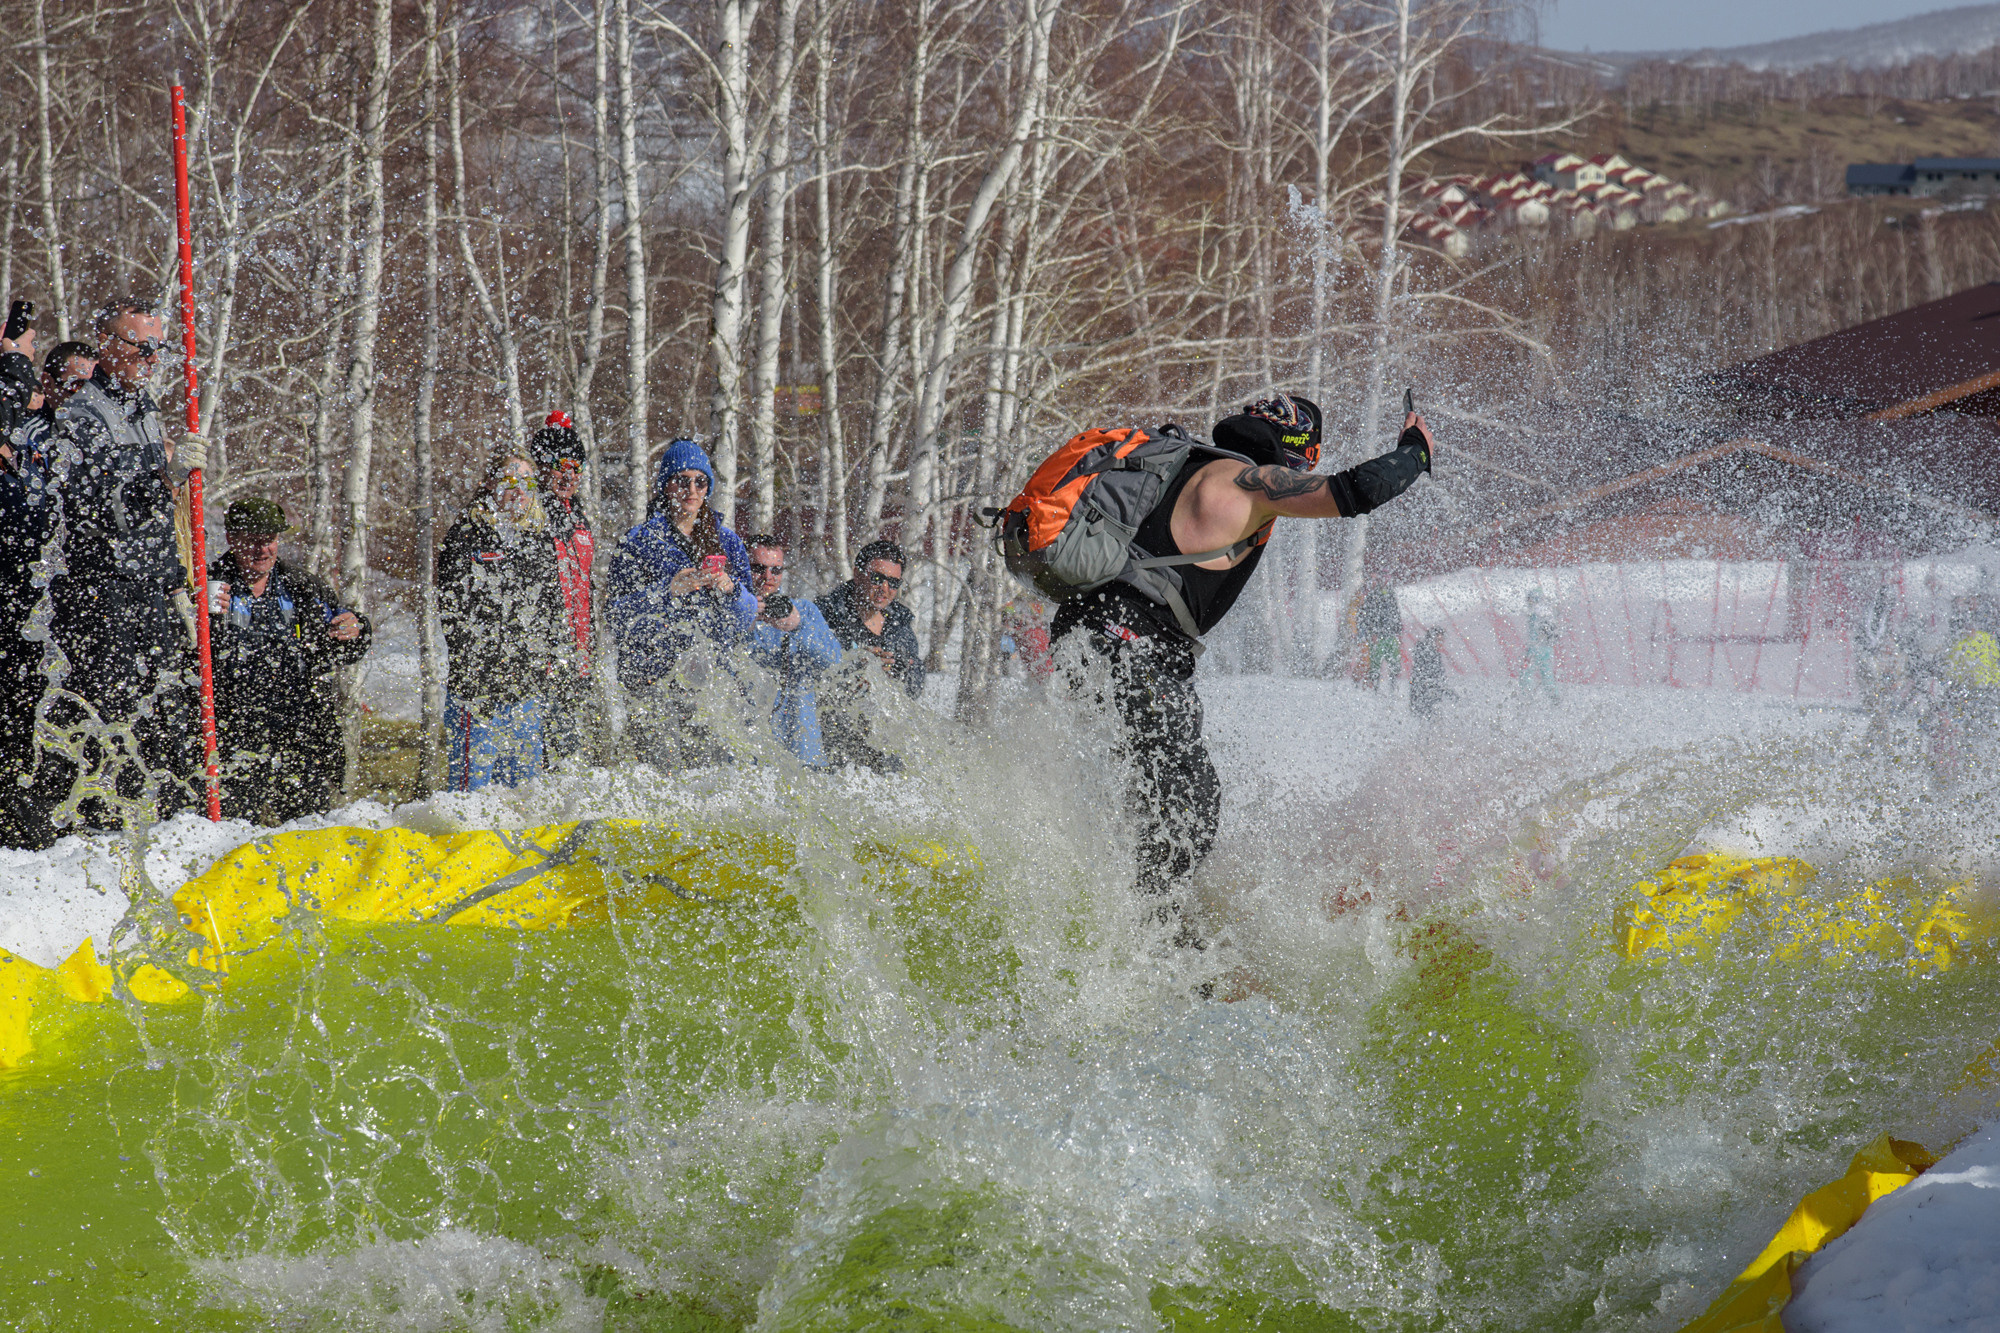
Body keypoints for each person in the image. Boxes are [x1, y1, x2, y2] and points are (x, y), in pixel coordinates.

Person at [1042, 392, 1433, 947]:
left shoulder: (1183, 459)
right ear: (1299, 453)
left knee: (1147, 790)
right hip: (1132, 648)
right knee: (1190, 807)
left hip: (1090, 636)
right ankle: (1155, 945)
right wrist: (1414, 453)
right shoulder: (1247, 484)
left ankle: (1114, 911)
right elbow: (1358, 491)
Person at [29, 299, 203, 835]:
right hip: (104, 593)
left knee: (169, 713)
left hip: (151, 588)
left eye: (158, 347)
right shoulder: (81, 413)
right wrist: (165, 474)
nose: (151, 357)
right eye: (139, 346)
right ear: (108, 344)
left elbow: (156, 526)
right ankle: (91, 830)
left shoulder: (145, 408)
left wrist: (179, 586)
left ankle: (170, 826)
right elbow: (96, 505)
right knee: (111, 712)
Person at [205, 498, 371, 822]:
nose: (263, 548)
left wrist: (358, 628)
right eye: (252, 540)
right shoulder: (209, 585)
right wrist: (199, 616)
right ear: (231, 538)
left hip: (297, 733)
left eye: (270, 539)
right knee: (230, 838)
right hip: (232, 738)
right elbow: (177, 655)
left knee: (308, 833)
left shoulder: (301, 587)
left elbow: (342, 642)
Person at [607, 438, 756, 769]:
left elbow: (747, 617)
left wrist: (732, 591)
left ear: (708, 487)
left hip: (709, 681)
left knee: (713, 780)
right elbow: (614, 615)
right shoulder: (639, 541)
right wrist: (666, 592)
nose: (691, 488)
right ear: (665, 486)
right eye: (682, 479)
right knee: (662, 777)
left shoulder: (728, 541)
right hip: (651, 680)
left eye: (699, 481)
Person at [438, 450, 568, 790]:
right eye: (510, 481)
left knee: (524, 794)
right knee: (472, 795)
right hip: (478, 694)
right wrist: (486, 663)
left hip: (525, 692)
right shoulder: (466, 535)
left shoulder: (539, 540)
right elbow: (452, 615)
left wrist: (547, 662)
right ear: (490, 485)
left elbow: (552, 611)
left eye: (527, 482)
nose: (519, 491)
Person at [816, 538, 926, 771]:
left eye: (893, 583)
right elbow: (810, 672)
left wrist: (900, 671)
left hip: (882, 746)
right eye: (877, 578)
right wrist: (851, 664)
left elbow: (916, 685)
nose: (884, 589)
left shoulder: (900, 624)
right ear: (857, 574)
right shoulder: (826, 614)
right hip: (830, 741)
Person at [528, 410, 596, 761]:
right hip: (542, 662)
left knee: (572, 759)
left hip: (578, 660)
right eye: (558, 464)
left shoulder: (578, 516)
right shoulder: (530, 515)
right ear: (541, 466)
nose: (568, 473)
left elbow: (585, 589)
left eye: (575, 465)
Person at [744, 533, 842, 765]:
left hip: (802, 749)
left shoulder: (804, 612)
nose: (768, 577)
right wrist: (743, 616)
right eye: (758, 568)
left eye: (776, 570)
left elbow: (836, 663)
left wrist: (799, 627)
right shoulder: (727, 613)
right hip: (746, 749)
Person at [1519, 587, 1560, 704]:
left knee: (1526, 672)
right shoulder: (1548, 611)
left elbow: (1534, 633)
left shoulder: (1535, 611)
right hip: (1547, 648)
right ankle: (1554, 696)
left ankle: (1526, 695)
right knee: (1547, 673)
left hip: (1535, 648)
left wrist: (1533, 646)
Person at [1409, 626, 1453, 717]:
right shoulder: (1428, 654)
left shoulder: (1433, 653)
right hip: (1424, 695)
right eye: (1438, 640)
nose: (1441, 643)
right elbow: (1427, 678)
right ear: (1431, 639)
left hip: (1426, 695)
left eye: (1442, 640)